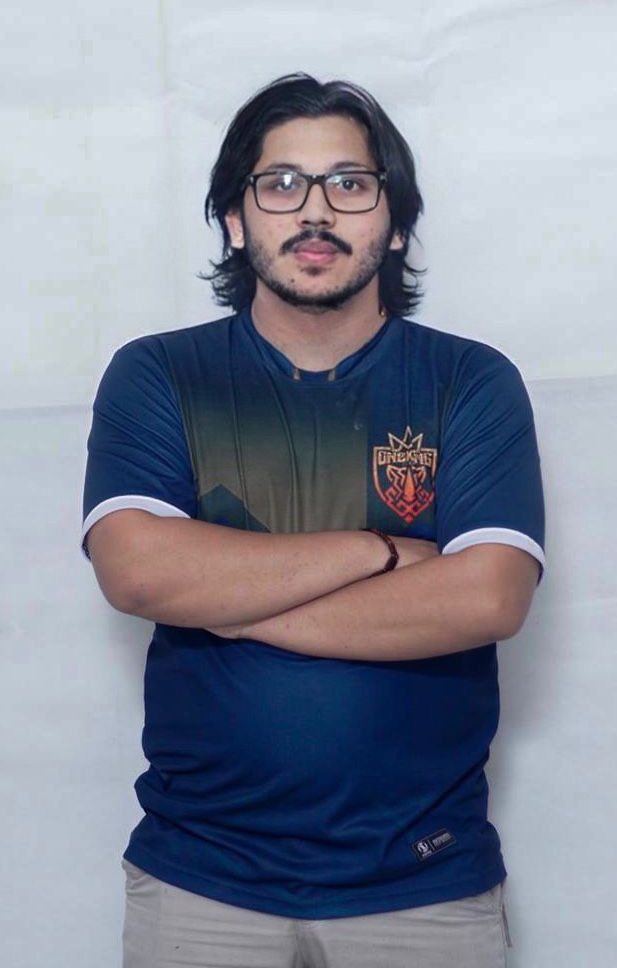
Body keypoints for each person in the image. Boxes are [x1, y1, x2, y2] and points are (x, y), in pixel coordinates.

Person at [81, 72, 545, 968]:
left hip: (424, 882)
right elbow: (138, 573)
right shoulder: (159, 374)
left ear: (395, 223)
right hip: (197, 881)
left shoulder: (469, 380)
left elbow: (486, 598)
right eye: (281, 184)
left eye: (350, 183)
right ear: (234, 218)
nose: (315, 211)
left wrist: (223, 599)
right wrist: (379, 552)